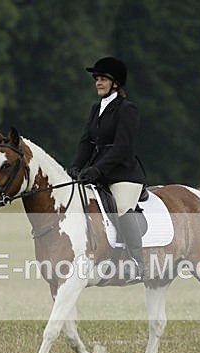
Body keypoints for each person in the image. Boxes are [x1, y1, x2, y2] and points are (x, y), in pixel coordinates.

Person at [68, 56, 147, 283]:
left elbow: (123, 148)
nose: (98, 83)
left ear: (116, 83)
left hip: (124, 173)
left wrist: (97, 169)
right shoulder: (96, 109)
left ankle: (137, 264)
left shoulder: (127, 109)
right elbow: (86, 142)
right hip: (98, 171)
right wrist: (76, 166)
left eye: (103, 79)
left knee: (121, 207)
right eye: (96, 79)